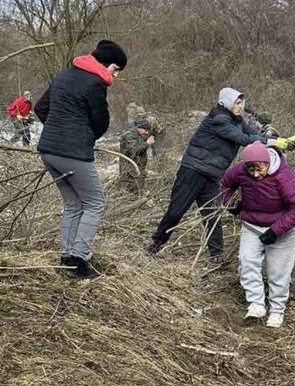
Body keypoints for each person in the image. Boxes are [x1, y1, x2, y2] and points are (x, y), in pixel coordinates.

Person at [148, 88, 277, 261]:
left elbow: (252, 135)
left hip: (212, 175)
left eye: (241, 103)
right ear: (227, 103)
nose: (240, 106)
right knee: (176, 211)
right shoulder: (220, 119)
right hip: (193, 171)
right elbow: (242, 139)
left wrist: (275, 141)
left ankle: (217, 255)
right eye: (237, 103)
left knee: (212, 214)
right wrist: (272, 141)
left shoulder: (237, 120)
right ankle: (155, 244)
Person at [34, 40, 128, 279]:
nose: (115, 75)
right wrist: (80, 136)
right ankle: (80, 260)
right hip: (72, 153)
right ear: (105, 63)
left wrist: (58, 131)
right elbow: (101, 122)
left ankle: (66, 258)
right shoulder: (95, 82)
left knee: (74, 205)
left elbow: (40, 108)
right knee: (95, 203)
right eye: (115, 69)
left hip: (48, 151)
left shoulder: (64, 75)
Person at [220, 142, 295, 325]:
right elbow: (225, 185)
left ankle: (277, 310)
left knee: (278, 271)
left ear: (267, 163)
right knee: (247, 262)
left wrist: (276, 231)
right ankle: (256, 304)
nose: (255, 174)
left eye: (259, 169)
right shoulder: (240, 171)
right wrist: (232, 205)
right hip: (252, 224)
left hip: (282, 229)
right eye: (251, 169)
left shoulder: (283, 177)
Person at [119, 120, 155, 193]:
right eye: (145, 130)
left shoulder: (139, 135)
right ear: (139, 128)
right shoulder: (129, 136)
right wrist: (147, 143)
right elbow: (134, 151)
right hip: (129, 168)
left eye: (148, 130)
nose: (147, 132)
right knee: (131, 190)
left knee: (138, 187)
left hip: (137, 168)